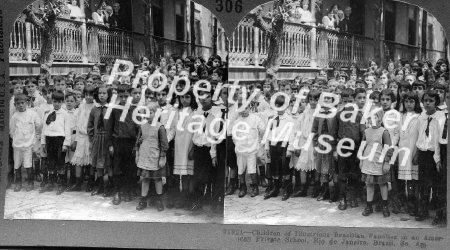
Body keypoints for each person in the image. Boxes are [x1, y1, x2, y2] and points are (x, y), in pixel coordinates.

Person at [106, 84, 140, 204]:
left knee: (130, 169)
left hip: (130, 142)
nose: (124, 99)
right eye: (122, 96)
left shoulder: (134, 110)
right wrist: (110, 144)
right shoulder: (114, 109)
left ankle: (127, 191)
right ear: (118, 96)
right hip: (117, 142)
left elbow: (138, 129)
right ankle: (117, 192)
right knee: (117, 169)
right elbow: (109, 128)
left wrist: (136, 145)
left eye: (126, 96)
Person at [135, 102, 169, 211]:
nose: (147, 115)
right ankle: (143, 200)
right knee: (144, 179)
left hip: (155, 158)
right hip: (144, 157)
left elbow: (164, 145)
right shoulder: (143, 126)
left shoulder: (160, 127)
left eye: (150, 112)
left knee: (157, 179)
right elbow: (138, 142)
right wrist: (137, 154)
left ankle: (159, 200)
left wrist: (162, 157)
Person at [336, 88, 366, 210]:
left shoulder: (359, 115)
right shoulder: (338, 115)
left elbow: (363, 133)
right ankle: (342, 198)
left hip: (356, 148)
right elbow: (334, 133)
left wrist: (361, 150)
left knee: (354, 174)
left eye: (350, 101)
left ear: (353, 100)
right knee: (342, 174)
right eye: (345, 101)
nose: (348, 103)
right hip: (342, 148)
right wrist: (334, 149)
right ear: (342, 101)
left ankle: (352, 197)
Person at [414, 90, 442, 221]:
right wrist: (416, 153)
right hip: (423, 154)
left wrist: (437, 159)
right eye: (425, 101)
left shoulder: (440, 117)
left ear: (436, 102)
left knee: (436, 184)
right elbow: (418, 136)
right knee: (423, 183)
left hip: (434, 154)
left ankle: (438, 212)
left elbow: (437, 141)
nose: (428, 103)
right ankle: (422, 210)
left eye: (431, 101)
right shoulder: (421, 117)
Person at [360, 109, 393, 217]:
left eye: (375, 117)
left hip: (379, 162)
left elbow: (388, 149)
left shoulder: (384, 132)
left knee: (382, 184)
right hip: (368, 162)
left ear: (380, 119)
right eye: (370, 117)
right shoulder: (366, 131)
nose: (372, 119)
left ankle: (385, 205)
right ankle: (369, 206)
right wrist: (361, 160)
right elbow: (363, 146)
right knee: (369, 184)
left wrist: (386, 162)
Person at [231, 98, 265, 198]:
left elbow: (262, 130)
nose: (244, 110)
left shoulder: (255, 119)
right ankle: (243, 187)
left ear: (250, 107)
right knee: (241, 170)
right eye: (241, 108)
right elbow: (234, 137)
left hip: (252, 150)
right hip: (240, 150)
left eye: (246, 108)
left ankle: (254, 187)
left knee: (252, 170)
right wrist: (238, 145)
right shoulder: (237, 122)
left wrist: (259, 142)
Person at [264, 95, 295, 201]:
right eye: (277, 106)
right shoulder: (272, 119)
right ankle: (276, 188)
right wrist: (267, 147)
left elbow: (291, 135)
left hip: (284, 145)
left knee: (285, 167)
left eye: (282, 106)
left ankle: (287, 189)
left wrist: (290, 149)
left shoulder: (289, 119)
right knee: (274, 167)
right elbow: (268, 134)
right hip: (273, 145)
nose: (279, 109)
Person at [40, 91, 72, 194]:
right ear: (52, 101)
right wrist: (43, 142)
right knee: (50, 161)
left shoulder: (65, 114)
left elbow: (67, 130)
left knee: (60, 162)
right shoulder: (48, 113)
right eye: (54, 101)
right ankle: (51, 182)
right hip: (49, 140)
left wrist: (66, 144)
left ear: (62, 102)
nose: (56, 104)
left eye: (59, 102)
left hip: (60, 141)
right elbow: (44, 129)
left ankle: (61, 183)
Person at [10, 93, 42, 192]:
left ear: (27, 103)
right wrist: (16, 139)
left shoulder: (32, 114)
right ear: (15, 104)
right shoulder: (14, 116)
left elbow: (39, 125)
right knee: (17, 164)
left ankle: (30, 182)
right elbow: (12, 130)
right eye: (18, 103)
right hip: (17, 145)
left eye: (22, 103)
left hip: (28, 144)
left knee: (28, 164)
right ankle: (18, 183)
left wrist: (35, 138)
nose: (20, 105)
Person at [68, 85, 96, 192]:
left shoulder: (95, 106)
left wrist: (93, 138)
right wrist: (76, 140)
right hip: (80, 136)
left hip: (90, 137)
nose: (89, 97)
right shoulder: (81, 106)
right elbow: (78, 122)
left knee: (90, 161)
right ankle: (78, 183)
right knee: (78, 160)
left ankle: (90, 183)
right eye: (87, 94)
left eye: (91, 95)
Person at [398, 92, 421, 216]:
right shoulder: (400, 115)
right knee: (402, 178)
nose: (409, 104)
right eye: (406, 101)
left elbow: (421, 136)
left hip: (413, 150)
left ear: (416, 103)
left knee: (413, 179)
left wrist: (416, 153)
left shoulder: (420, 116)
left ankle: (413, 204)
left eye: (412, 101)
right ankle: (403, 203)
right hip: (401, 151)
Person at [88, 85, 112, 196]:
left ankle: (108, 187)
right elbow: (90, 125)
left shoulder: (111, 109)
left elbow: (113, 126)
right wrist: (92, 138)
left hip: (107, 140)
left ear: (108, 95)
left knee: (107, 163)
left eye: (104, 93)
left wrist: (111, 142)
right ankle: (100, 186)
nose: (102, 95)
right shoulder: (94, 109)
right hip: (97, 139)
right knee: (98, 164)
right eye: (100, 93)